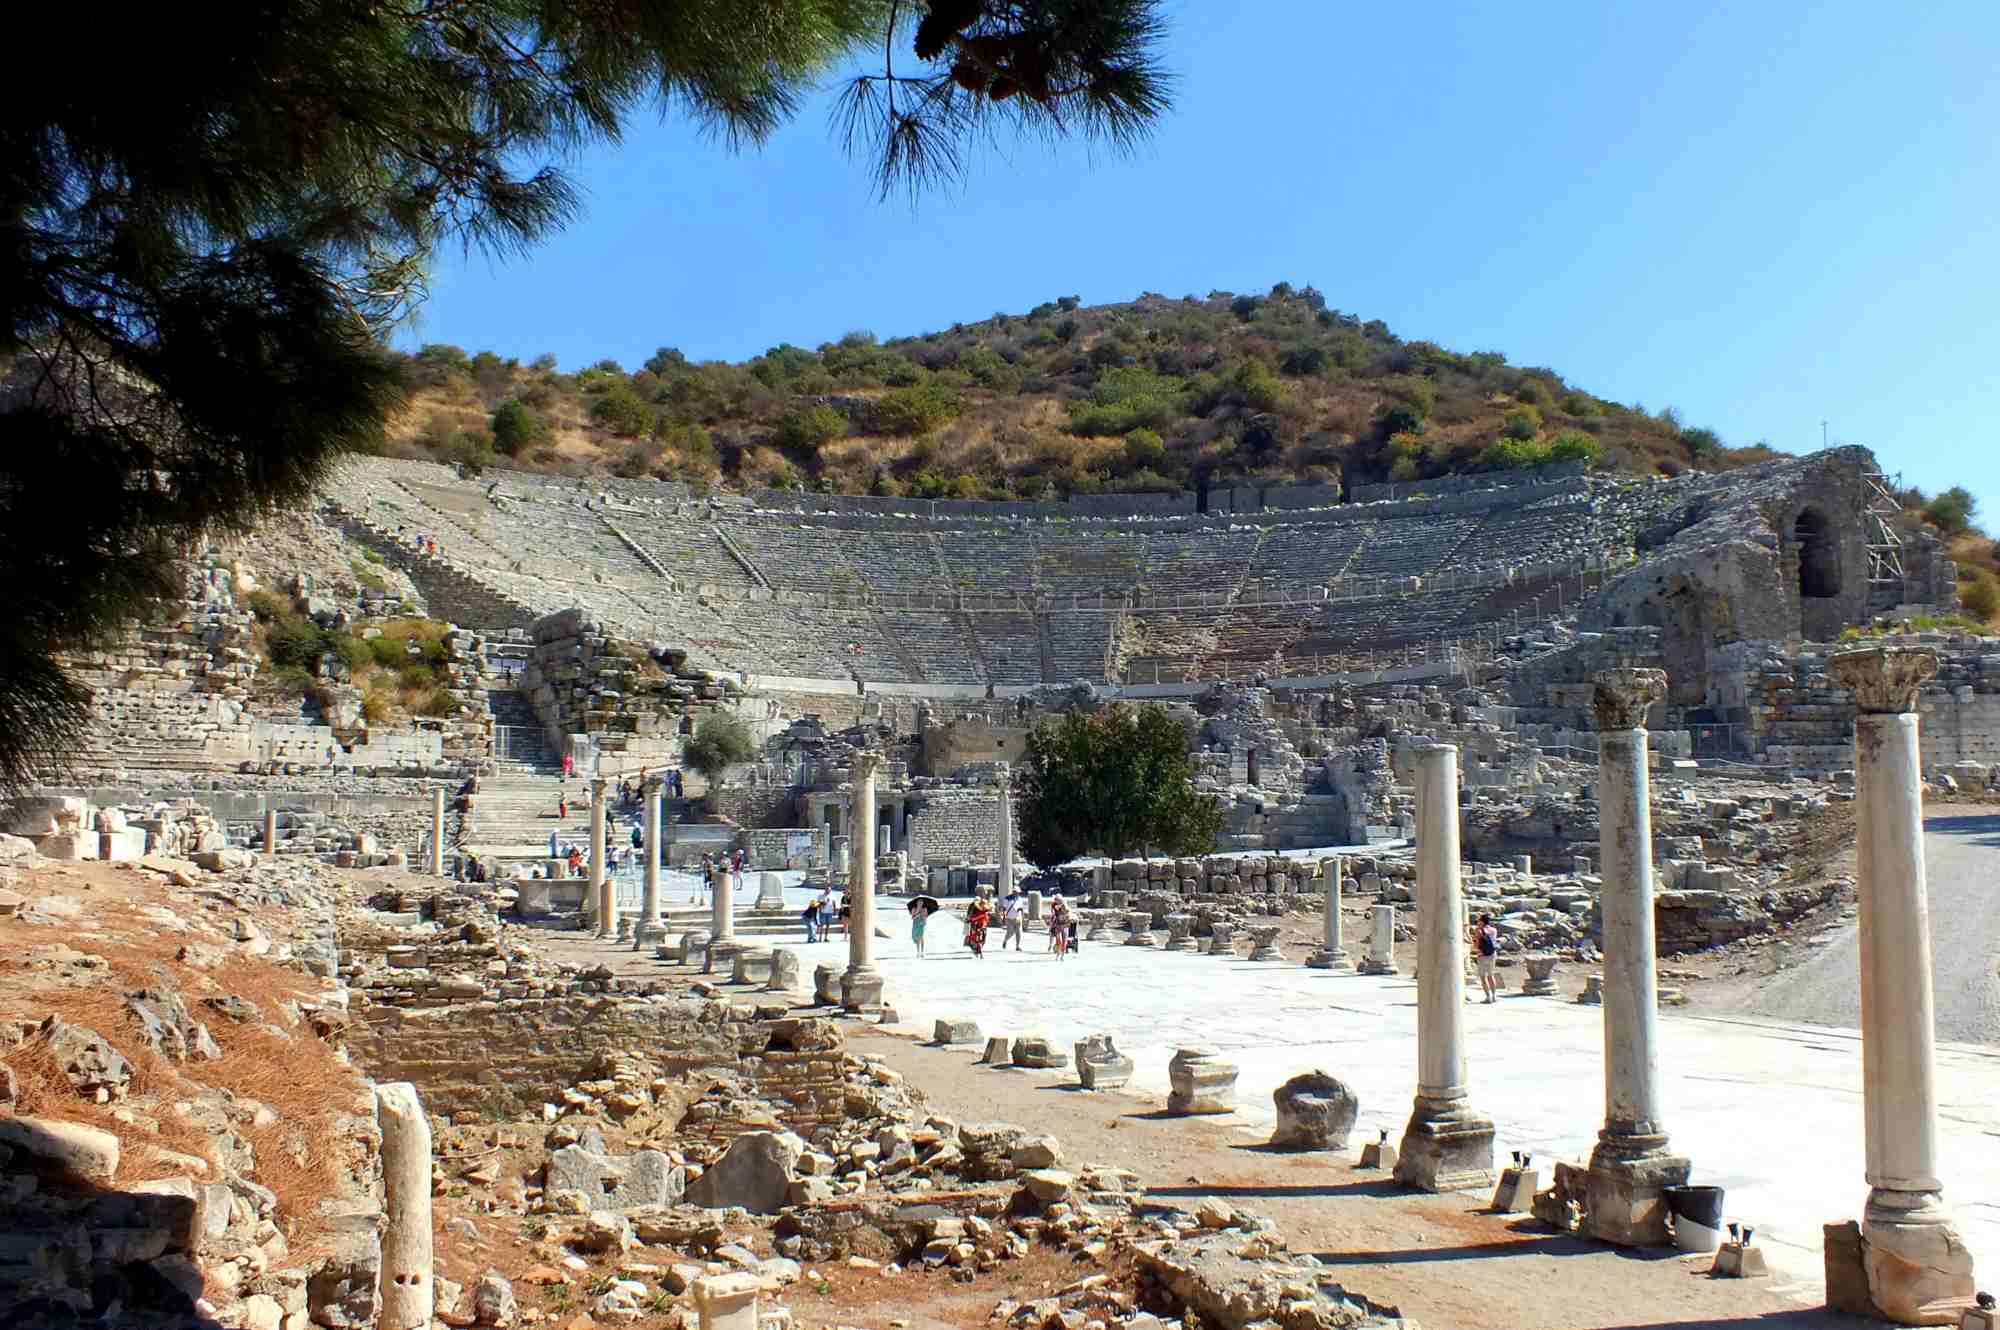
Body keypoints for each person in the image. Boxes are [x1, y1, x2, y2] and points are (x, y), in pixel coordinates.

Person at [1474, 913, 1501, 1004]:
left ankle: (1488, 997)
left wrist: (1476, 949)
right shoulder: (1494, 930)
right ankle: (1494, 996)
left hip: (1482, 955)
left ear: (1482, 921)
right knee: (1490, 975)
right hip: (1492, 954)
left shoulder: (1479, 930)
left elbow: (1477, 944)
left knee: (1483, 977)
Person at [1047, 897, 1070, 961]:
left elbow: (1068, 912)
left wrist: (1064, 907)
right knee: (1059, 941)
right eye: (1056, 900)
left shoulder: (1065, 907)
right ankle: (1058, 954)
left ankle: (1062, 955)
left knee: (1064, 941)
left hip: (1065, 926)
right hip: (1058, 925)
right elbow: (1054, 910)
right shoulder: (1055, 906)